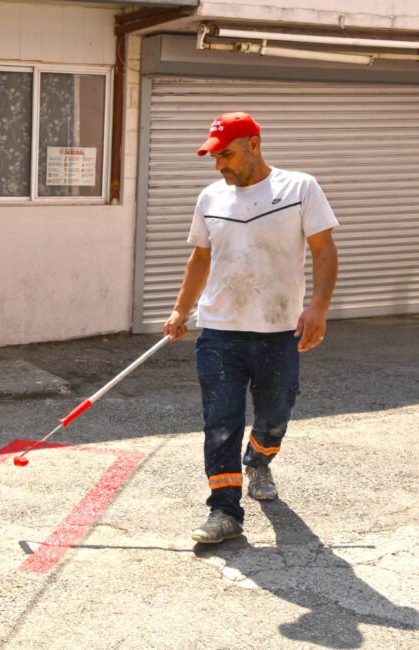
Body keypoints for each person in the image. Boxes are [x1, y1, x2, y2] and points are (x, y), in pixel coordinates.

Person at [162, 112, 339, 544]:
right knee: (220, 421)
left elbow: (323, 250)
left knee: (276, 413)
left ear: (254, 145)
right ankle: (224, 511)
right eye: (214, 157)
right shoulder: (211, 198)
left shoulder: (299, 188)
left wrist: (318, 307)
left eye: (226, 154)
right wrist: (180, 309)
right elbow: (201, 258)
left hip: (279, 330)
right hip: (220, 331)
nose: (219, 165)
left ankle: (259, 459)